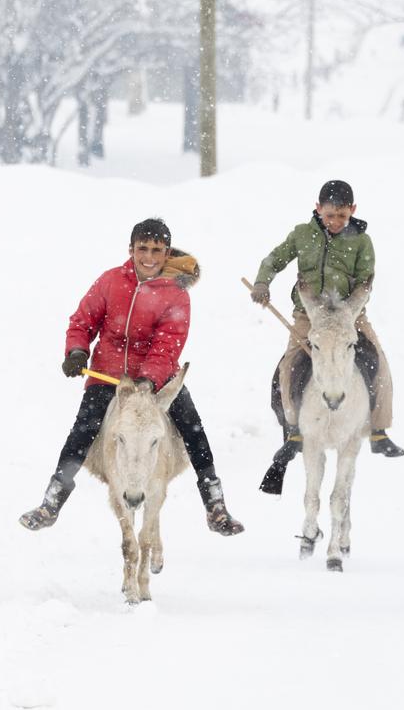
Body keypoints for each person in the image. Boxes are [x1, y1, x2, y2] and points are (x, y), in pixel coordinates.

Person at [19, 218, 245, 536]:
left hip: (158, 381)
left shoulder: (176, 295)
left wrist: (148, 380)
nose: (149, 257)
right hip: (107, 376)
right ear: (131, 250)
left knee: (193, 429)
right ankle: (51, 502)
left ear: (167, 253)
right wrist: (77, 351)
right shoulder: (110, 281)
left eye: (156, 250)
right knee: (82, 432)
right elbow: (83, 320)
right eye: (143, 249)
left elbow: (168, 344)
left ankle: (214, 504)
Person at [250, 179, 404, 468]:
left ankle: (379, 430)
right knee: (289, 364)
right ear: (318, 208)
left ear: (352, 210)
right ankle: (294, 430)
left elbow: (365, 282)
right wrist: (262, 282)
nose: (335, 222)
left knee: (380, 361)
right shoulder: (302, 234)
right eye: (330, 215)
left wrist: (349, 311)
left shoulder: (361, 241)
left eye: (342, 216)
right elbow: (274, 259)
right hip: (308, 315)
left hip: (349, 315)